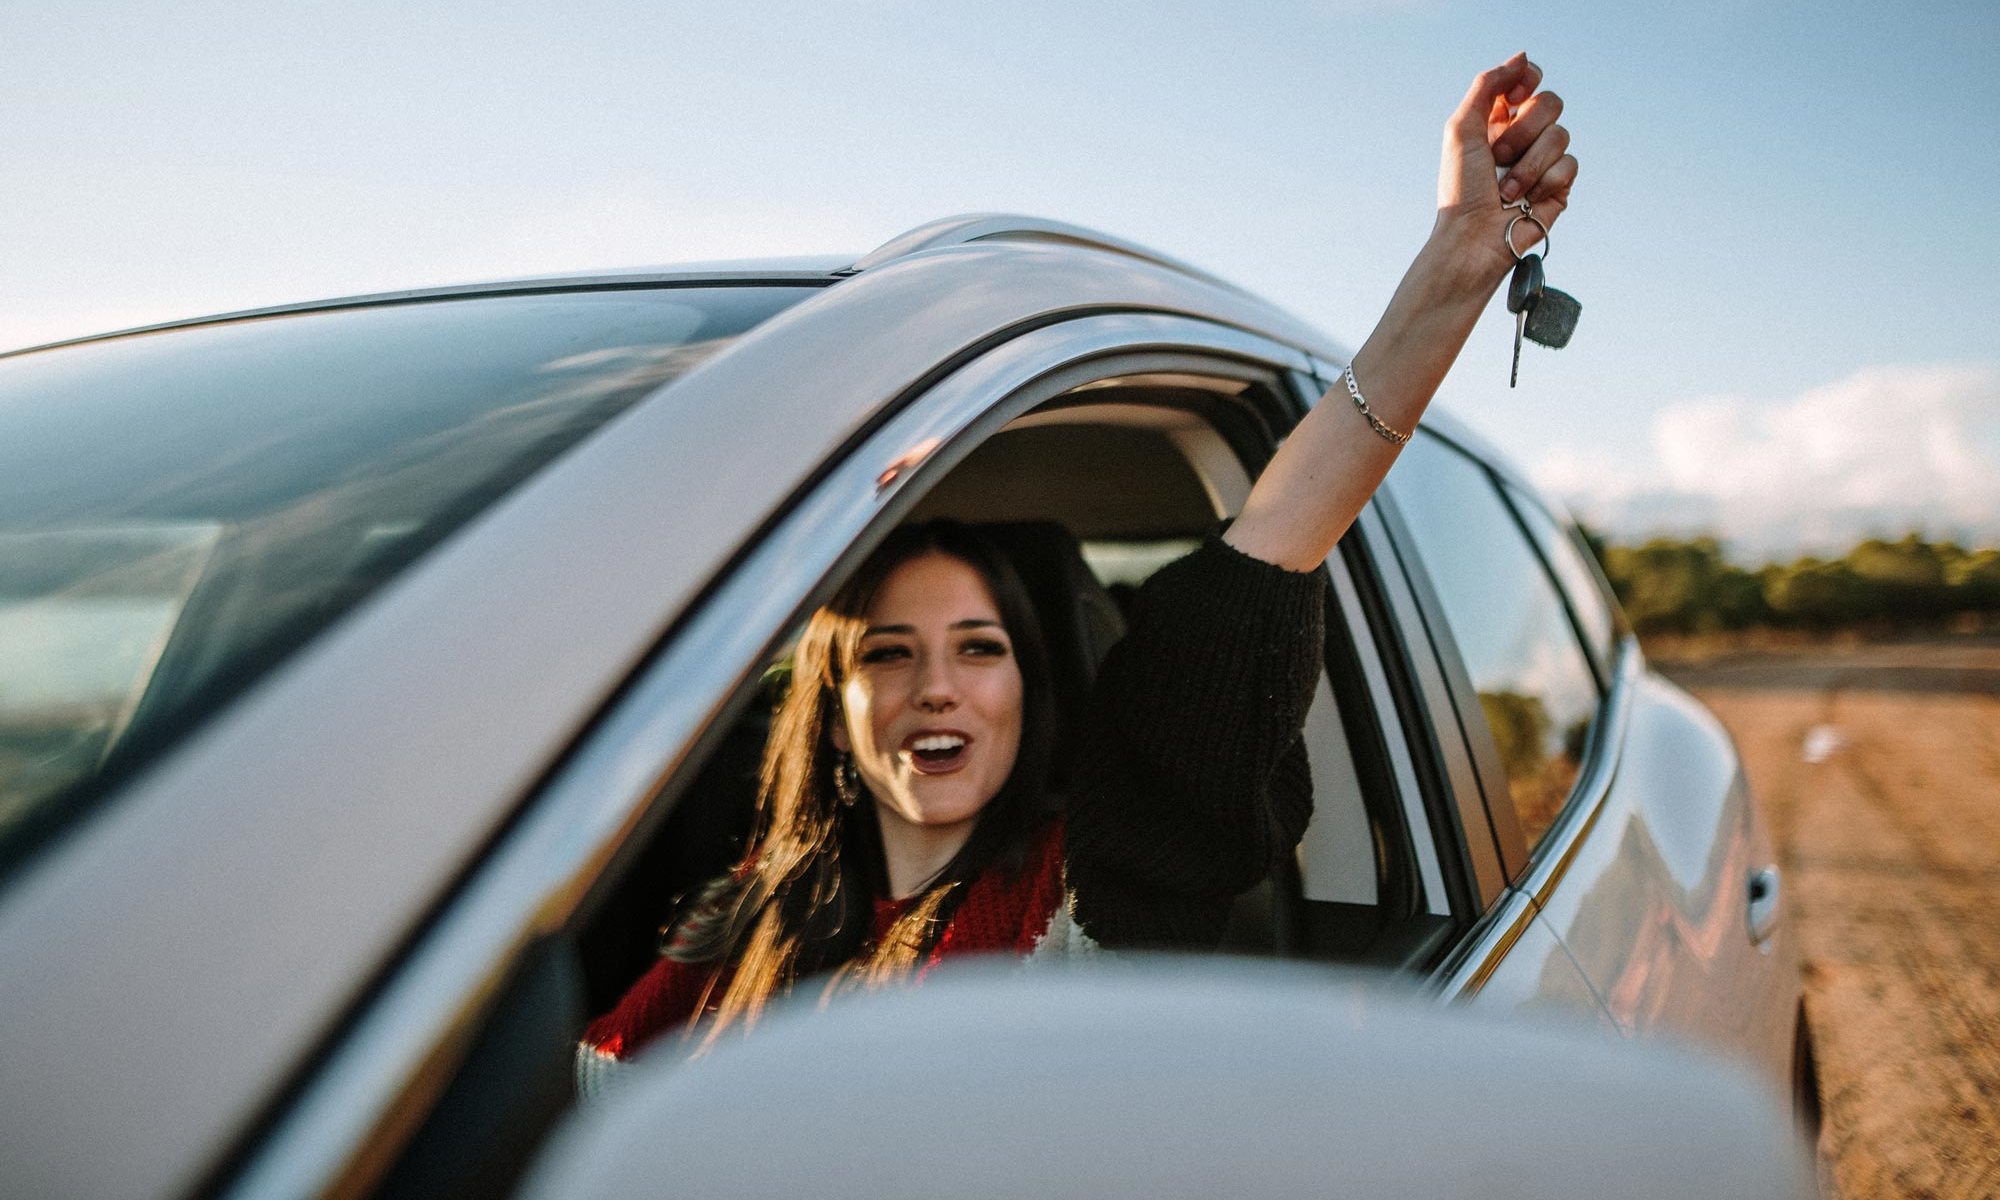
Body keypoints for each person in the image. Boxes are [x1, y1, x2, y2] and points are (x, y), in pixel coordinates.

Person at [579, 52, 1576, 1088]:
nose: (936, 685)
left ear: (1026, 684)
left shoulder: (1099, 883)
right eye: (887, 651)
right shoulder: (741, 916)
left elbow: (1268, 549)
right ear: (829, 703)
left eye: (979, 647)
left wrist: (1458, 265)